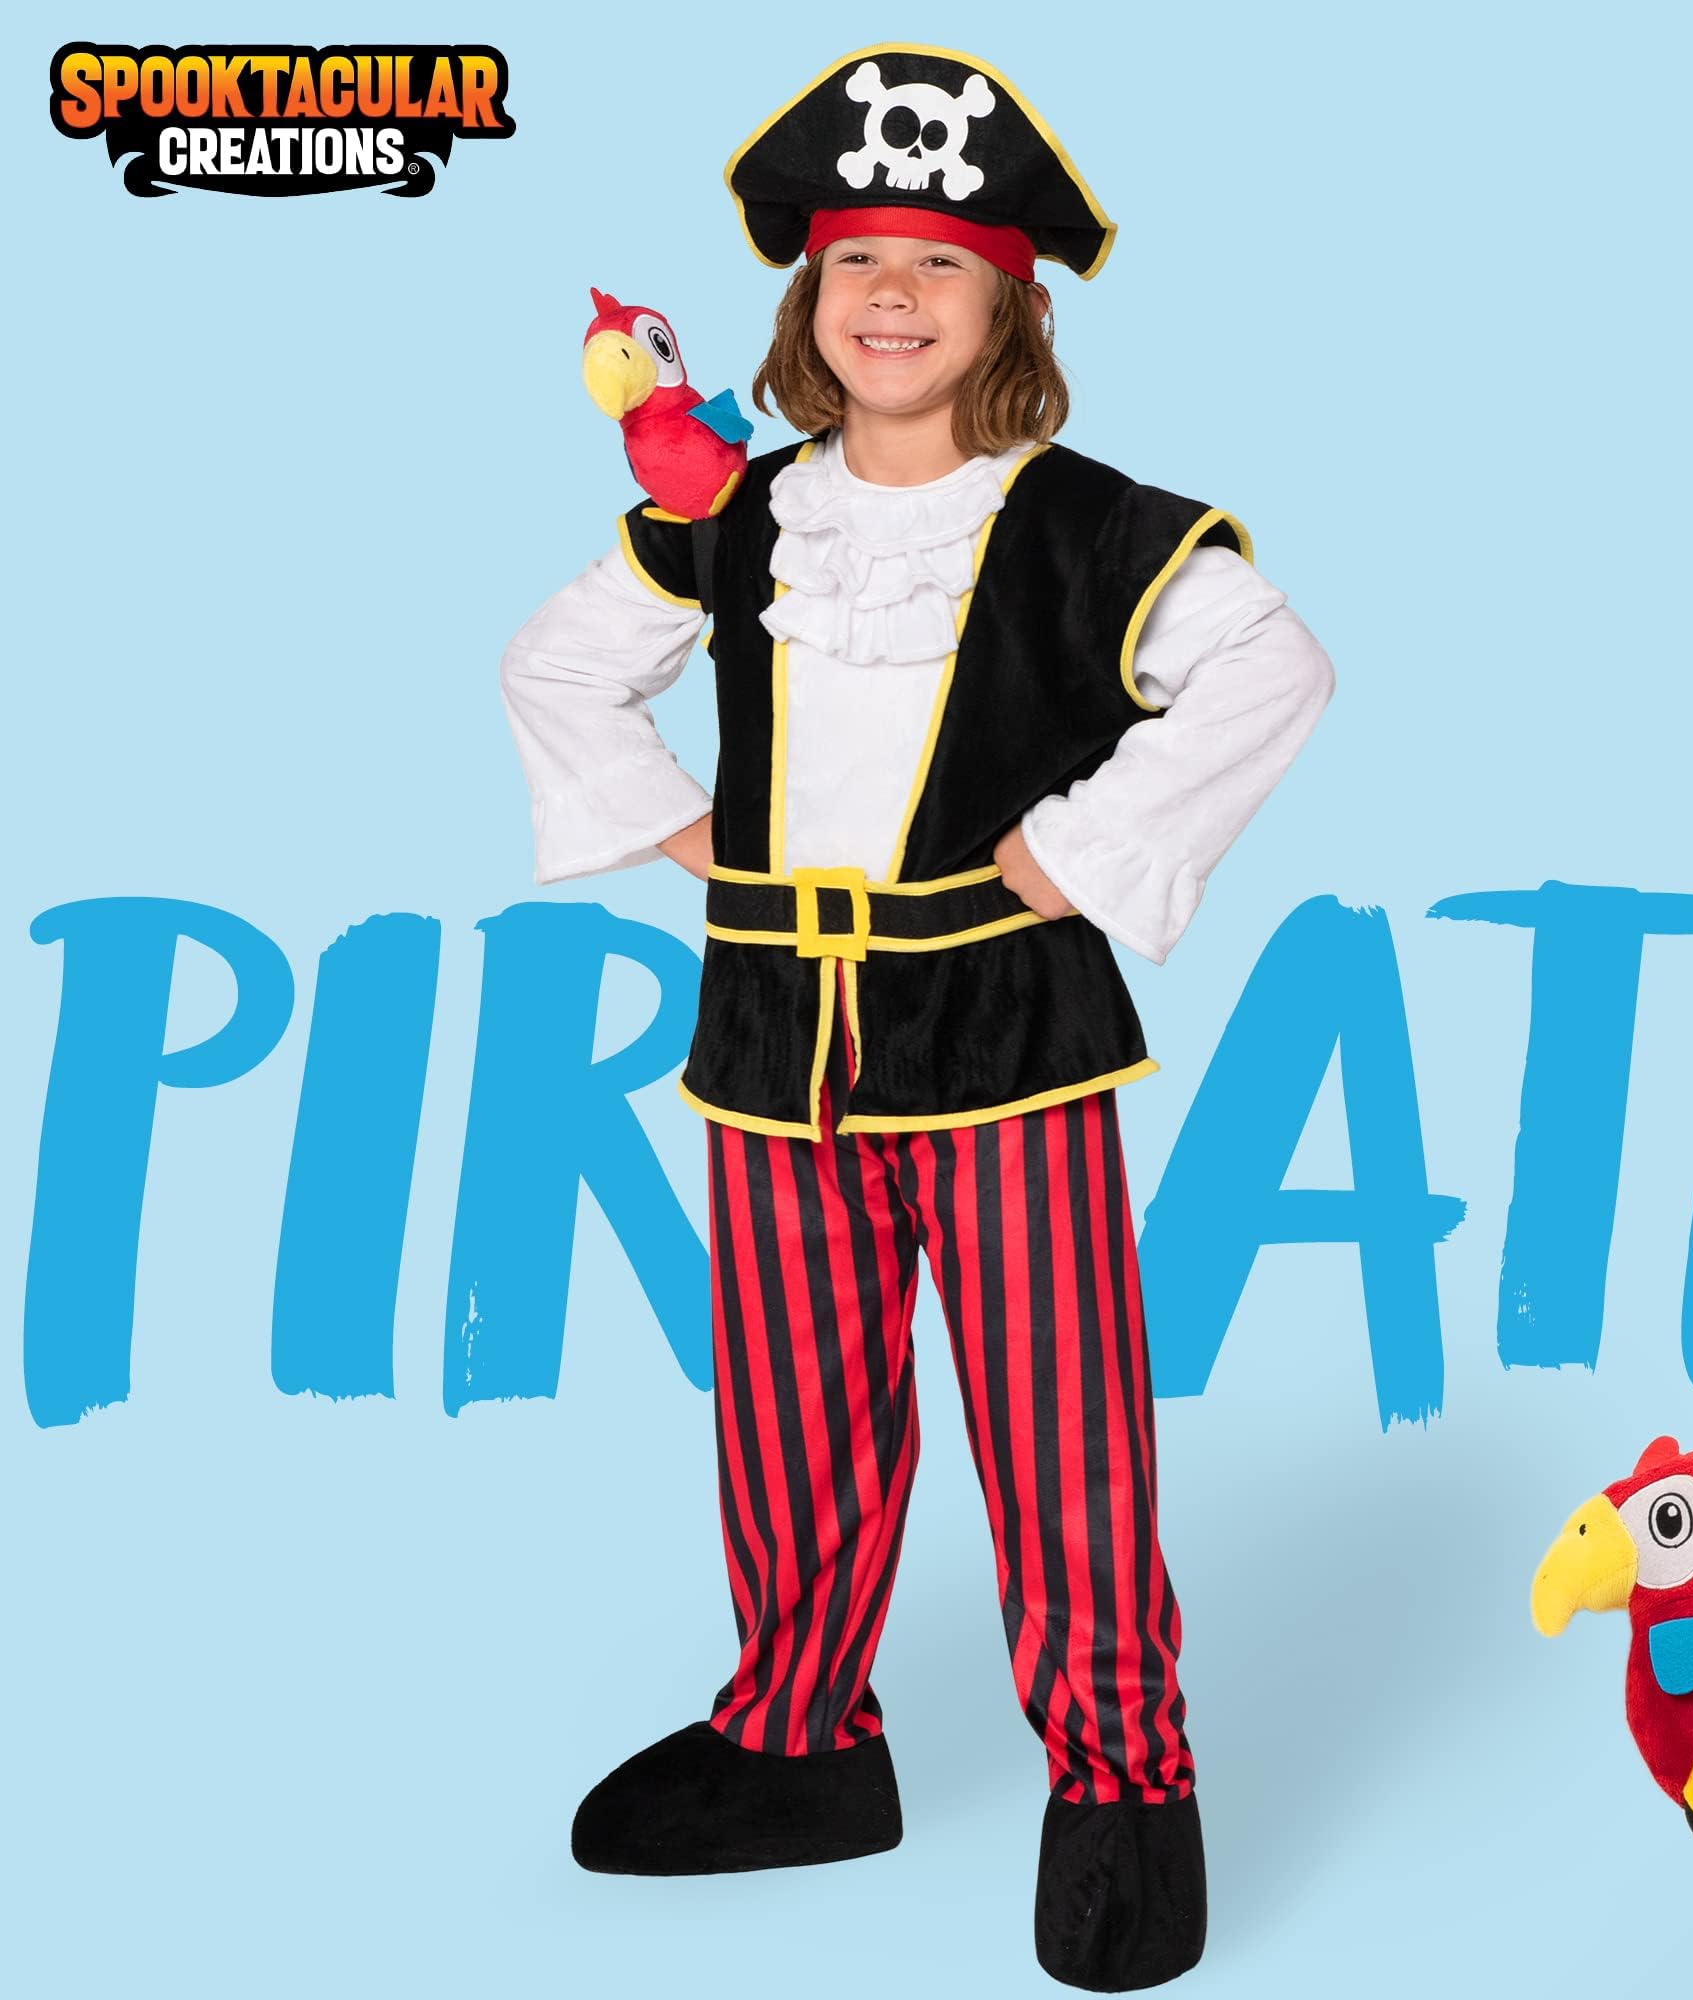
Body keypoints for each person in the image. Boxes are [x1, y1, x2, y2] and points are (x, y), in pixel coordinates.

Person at [498, 43, 1333, 1992]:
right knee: (790, 1414)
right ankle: (799, 1742)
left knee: (1060, 1433)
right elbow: (555, 667)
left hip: (1007, 1037)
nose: (891, 294)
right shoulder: (744, 513)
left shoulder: (1089, 522)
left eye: (940, 263)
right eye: (856, 259)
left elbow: (1273, 670)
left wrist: (1080, 848)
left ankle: (1121, 1784)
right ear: (806, 301)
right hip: (771, 1039)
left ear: (1008, 306)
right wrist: (687, 836)